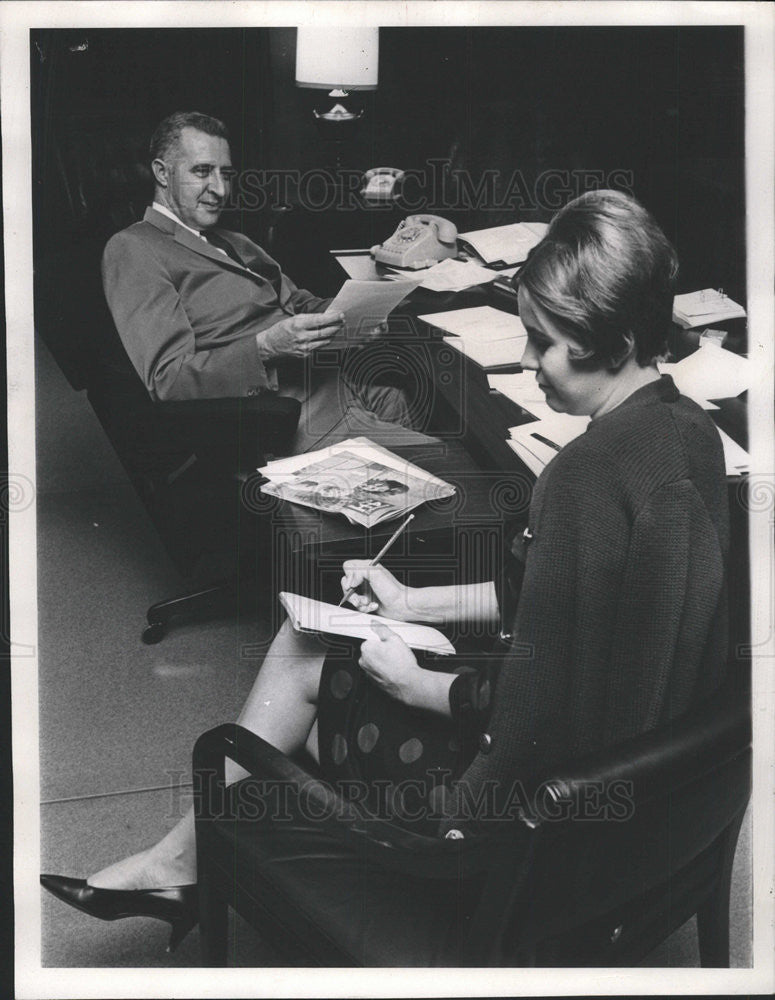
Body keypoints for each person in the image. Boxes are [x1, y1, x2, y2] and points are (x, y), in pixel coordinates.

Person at [41, 190, 730, 958]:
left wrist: (421, 689)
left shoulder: (583, 480)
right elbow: (563, 607)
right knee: (318, 630)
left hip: (500, 830)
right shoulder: (686, 434)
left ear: (617, 337)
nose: (530, 361)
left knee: (295, 664)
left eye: (545, 342)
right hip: (647, 808)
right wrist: (411, 598)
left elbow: (539, 727)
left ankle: (180, 866)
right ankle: (177, 864)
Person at [101, 110, 432, 453]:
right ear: (162, 173)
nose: (219, 189)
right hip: (286, 419)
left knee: (414, 413)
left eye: (226, 174)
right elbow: (167, 381)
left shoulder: (234, 240)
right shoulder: (134, 248)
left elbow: (298, 303)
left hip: (342, 388)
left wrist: (364, 312)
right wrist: (265, 347)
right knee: (458, 473)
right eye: (202, 172)